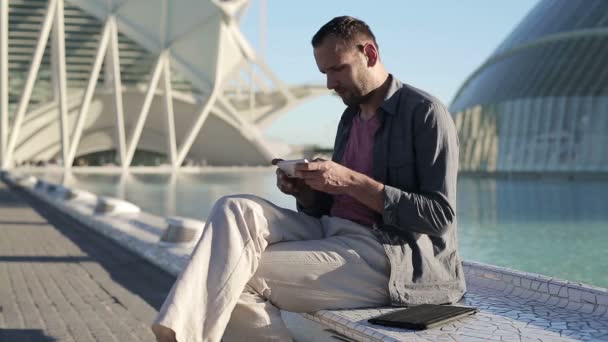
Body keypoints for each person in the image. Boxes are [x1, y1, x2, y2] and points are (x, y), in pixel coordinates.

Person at [152, 15, 465, 342]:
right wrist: (306, 193)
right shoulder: (350, 118)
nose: (330, 84)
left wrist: (351, 181)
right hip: (333, 233)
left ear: (370, 54)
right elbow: (329, 208)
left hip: (389, 255)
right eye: (324, 73)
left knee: (231, 277)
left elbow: (440, 217)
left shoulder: (425, 113)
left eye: (337, 69)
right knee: (235, 209)